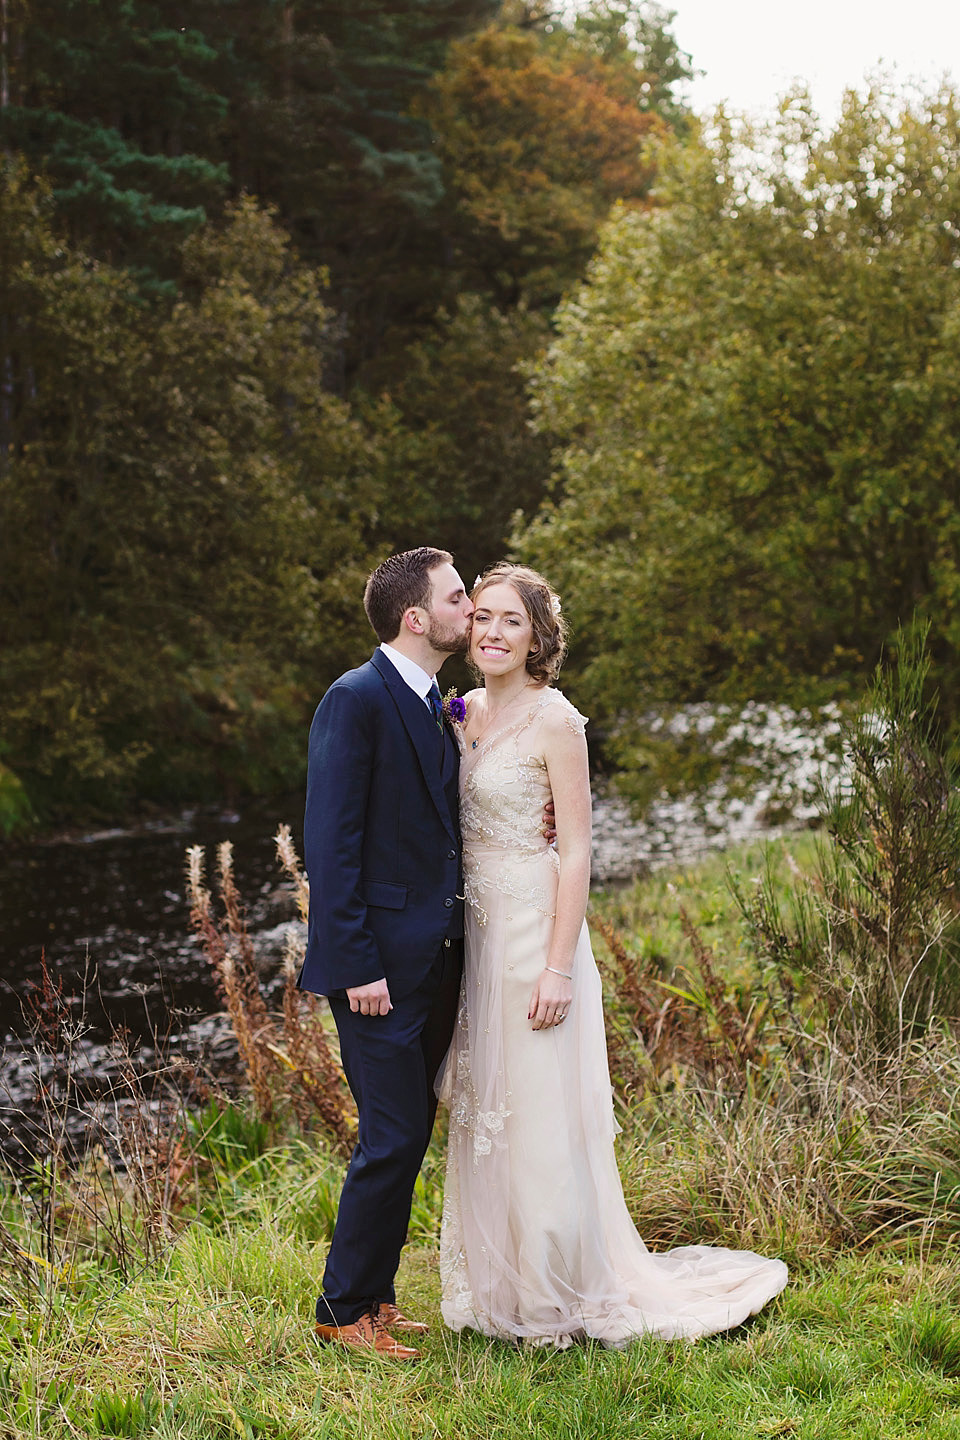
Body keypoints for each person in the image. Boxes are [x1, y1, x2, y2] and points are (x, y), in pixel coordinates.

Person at [438, 562, 788, 1347]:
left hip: (535, 936)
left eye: (512, 622)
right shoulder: (460, 714)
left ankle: (558, 1293)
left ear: (538, 639)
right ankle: (503, 1286)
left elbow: (577, 849)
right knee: (488, 1113)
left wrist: (559, 965)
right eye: (483, 617)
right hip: (478, 941)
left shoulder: (555, 720)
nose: (493, 632)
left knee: (540, 1116)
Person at [299, 546, 473, 1361]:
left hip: (436, 957)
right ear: (417, 617)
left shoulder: (438, 701)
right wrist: (358, 962)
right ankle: (341, 1312)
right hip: (377, 968)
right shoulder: (355, 699)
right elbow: (330, 849)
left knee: (407, 1130)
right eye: (458, 596)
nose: (469, 609)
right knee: (392, 1135)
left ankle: (377, 1296)